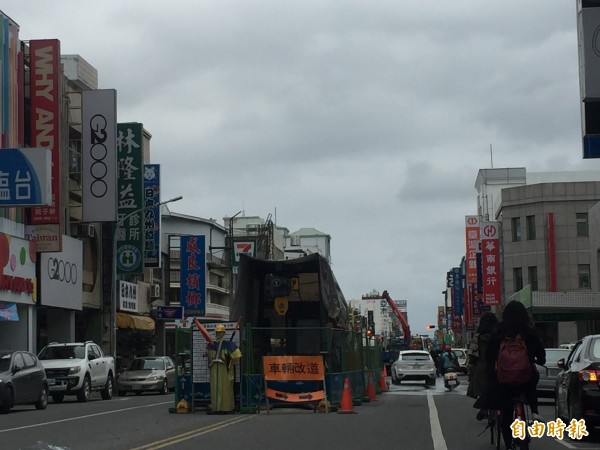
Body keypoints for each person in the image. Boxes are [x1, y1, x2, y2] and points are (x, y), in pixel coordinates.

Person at [484, 301, 545, 448]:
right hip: (525, 377)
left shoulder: (499, 331)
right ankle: (535, 411)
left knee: (506, 412)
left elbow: (489, 356)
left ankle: (509, 444)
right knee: (531, 380)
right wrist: (538, 359)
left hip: (504, 380)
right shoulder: (528, 331)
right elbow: (541, 353)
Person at [466, 312, 499, 420]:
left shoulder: (478, 337)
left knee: (482, 385)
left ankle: (484, 408)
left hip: (482, 367)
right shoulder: (500, 334)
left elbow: (472, 354)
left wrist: (471, 366)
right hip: (499, 366)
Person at [205, 324, 242, 414]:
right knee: (215, 388)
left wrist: (227, 357)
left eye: (220, 332)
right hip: (215, 369)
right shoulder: (211, 345)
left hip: (225, 369)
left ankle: (227, 408)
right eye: (217, 332)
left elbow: (237, 356)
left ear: (224, 333)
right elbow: (208, 356)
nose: (218, 334)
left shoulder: (229, 345)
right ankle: (216, 407)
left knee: (226, 388)